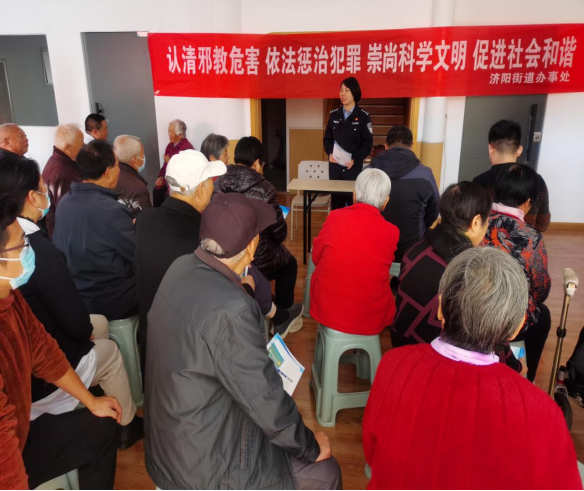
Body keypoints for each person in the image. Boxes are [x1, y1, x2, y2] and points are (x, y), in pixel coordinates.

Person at [145, 193, 342, 491]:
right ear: (250, 248)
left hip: (168, 446)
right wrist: (310, 447)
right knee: (326, 473)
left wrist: (241, 295)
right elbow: (264, 400)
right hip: (202, 468)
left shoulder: (180, 267)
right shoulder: (233, 310)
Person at [363, 247, 582, 490]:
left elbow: (372, 452)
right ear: (516, 328)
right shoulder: (543, 413)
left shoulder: (392, 366)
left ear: (440, 308)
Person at [0, 154, 143, 449]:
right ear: (31, 197)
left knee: (98, 323)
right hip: (37, 379)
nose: (48, 195)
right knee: (109, 351)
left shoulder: (65, 204)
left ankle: (95, 393)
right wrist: (83, 336)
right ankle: (127, 424)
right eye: (44, 188)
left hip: (48, 337)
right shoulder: (36, 252)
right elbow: (74, 323)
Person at [0, 195, 122, 490]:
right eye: (21, 245)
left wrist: (91, 400)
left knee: (103, 426)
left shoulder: (10, 297)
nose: (29, 250)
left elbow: (44, 351)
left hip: (21, 432)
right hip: (7, 458)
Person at [391, 182, 523, 372]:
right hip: (436, 365)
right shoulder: (469, 274)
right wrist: (515, 366)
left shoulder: (414, 250)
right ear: (476, 222)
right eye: (487, 221)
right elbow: (487, 337)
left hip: (401, 348)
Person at [215, 137, 303, 325]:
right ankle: (282, 318)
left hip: (222, 254)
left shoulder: (218, 182)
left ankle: (267, 304)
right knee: (289, 264)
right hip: (252, 256)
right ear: (256, 163)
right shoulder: (265, 188)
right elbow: (279, 235)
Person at [53, 140, 138, 322]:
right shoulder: (111, 210)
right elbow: (137, 254)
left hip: (78, 295)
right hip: (111, 300)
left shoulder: (65, 202)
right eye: (117, 166)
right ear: (107, 171)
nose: (119, 170)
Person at [483, 164, 552, 382]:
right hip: (510, 320)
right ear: (528, 202)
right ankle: (525, 376)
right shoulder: (531, 236)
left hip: (475, 307)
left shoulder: (478, 222)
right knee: (543, 316)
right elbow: (541, 288)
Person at [310, 169, 400, 335]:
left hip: (327, 309)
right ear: (385, 202)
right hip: (370, 315)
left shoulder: (334, 217)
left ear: (354, 195)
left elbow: (316, 257)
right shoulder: (392, 231)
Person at [370, 125, 440, 262]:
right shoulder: (425, 174)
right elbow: (433, 211)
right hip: (411, 248)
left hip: (374, 245)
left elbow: (360, 208)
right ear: (411, 145)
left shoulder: (368, 172)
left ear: (386, 146)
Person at [473, 120, 551, 232]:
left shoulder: (480, 182)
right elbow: (543, 224)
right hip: (527, 239)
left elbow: (473, 221)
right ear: (519, 150)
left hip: (487, 242)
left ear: (490, 148)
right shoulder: (538, 181)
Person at [324, 77, 374, 209]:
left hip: (353, 170)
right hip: (335, 169)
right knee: (337, 207)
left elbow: (367, 145)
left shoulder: (363, 117)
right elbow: (327, 139)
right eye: (341, 90)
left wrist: (355, 159)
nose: (343, 94)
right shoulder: (334, 115)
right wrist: (329, 153)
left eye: (347, 90)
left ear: (354, 93)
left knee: (353, 207)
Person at [41, 124, 85, 238]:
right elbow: (68, 212)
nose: (84, 146)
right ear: (68, 148)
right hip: (66, 234)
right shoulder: (61, 174)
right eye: (81, 143)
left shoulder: (60, 161)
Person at [153, 119, 195, 207]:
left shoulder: (187, 149)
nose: (169, 134)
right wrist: (161, 176)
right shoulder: (170, 146)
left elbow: (185, 173)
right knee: (156, 191)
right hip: (168, 182)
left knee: (166, 199)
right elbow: (165, 166)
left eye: (171, 132)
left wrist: (170, 162)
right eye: (168, 131)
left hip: (179, 187)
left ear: (180, 135)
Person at [113, 134, 152, 217]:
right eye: (142, 154)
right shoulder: (138, 189)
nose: (144, 158)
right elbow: (145, 220)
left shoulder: (108, 177)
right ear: (135, 160)